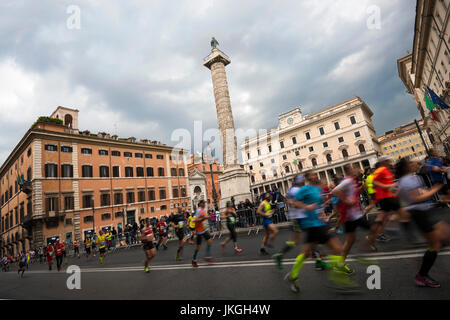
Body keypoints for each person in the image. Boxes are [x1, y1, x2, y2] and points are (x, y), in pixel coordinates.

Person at [285, 170, 358, 293]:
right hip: (311, 224)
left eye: (315, 174)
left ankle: (293, 276)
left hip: (319, 223)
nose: (316, 175)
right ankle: (339, 279)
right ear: (308, 178)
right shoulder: (304, 189)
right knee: (337, 248)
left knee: (306, 253)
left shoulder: (317, 189)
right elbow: (293, 202)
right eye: (313, 174)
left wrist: (323, 208)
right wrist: (306, 207)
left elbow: (318, 205)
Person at [397, 158, 450, 288]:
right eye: (411, 162)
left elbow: (419, 193)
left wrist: (438, 199)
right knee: (436, 243)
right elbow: (416, 198)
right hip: (418, 214)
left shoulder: (414, 177)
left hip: (424, 212)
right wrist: (435, 189)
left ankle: (428, 259)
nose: (415, 163)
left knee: (444, 237)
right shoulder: (407, 180)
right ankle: (422, 275)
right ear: (406, 168)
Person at [332, 164, 377, 272]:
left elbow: (354, 194)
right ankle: (361, 251)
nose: (356, 170)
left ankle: (340, 264)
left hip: (352, 216)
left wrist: (361, 189)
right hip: (352, 216)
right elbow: (335, 191)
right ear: (349, 170)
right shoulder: (347, 181)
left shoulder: (351, 181)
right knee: (375, 229)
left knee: (350, 241)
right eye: (354, 168)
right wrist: (347, 201)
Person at [192, 200, 215, 268]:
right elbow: (195, 220)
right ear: (201, 204)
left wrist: (207, 217)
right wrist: (204, 218)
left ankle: (207, 257)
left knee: (210, 241)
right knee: (198, 247)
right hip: (199, 231)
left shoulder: (203, 210)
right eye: (204, 203)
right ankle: (194, 260)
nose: (205, 204)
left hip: (204, 230)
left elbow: (204, 218)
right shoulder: (199, 210)